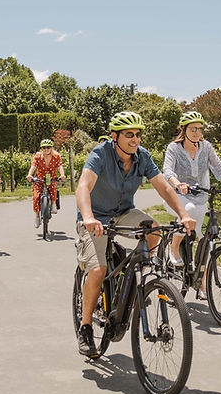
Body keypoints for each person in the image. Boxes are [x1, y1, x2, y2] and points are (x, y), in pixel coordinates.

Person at [74, 111, 197, 358]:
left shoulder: (142, 157)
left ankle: (142, 279)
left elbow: (163, 186)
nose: (135, 139)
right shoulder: (100, 154)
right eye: (129, 134)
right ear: (115, 136)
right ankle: (86, 327)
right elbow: (84, 186)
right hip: (96, 217)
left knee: (154, 230)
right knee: (97, 271)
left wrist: (183, 214)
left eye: (138, 134)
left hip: (123, 212)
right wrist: (88, 217)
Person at [161, 111, 221, 298]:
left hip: (200, 197)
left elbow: (219, 168)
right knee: (187, 211)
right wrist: (177, 184)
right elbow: (167, 171)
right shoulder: (174, 148)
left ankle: (202, 283)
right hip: (176, 196)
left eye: (199, 128)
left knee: (205, 242)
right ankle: (173, 248)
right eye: (193, 129)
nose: (197, 132)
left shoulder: (206, 147)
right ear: (184, 130)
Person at [26, 138, 66, 227]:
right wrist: (29, 175)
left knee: (53, 189)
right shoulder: (37, 156)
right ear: (41, 149)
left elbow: (60, 166)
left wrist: (62, 175)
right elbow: (33, 166)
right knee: (36, 196)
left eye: (48, 147)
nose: (46, 149)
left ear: (51, 148)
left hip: (51, 178)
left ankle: (53, 204)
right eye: (44, 148)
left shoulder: (56, 156)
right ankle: (37, 217)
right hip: (39, 178)